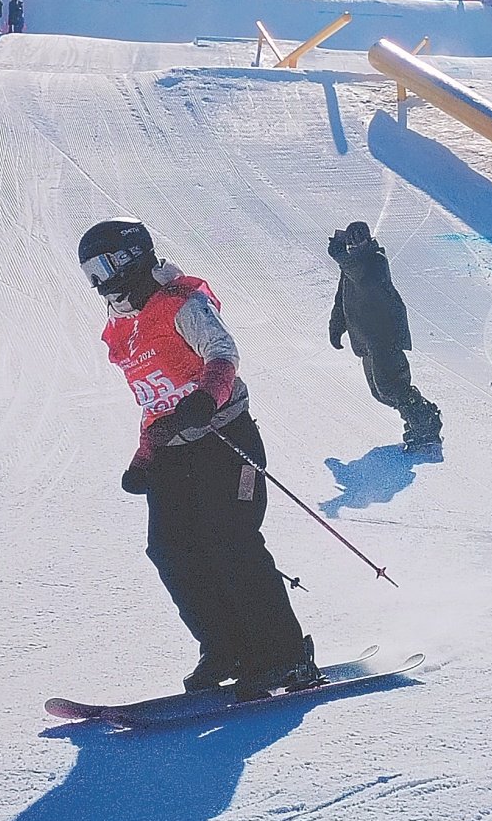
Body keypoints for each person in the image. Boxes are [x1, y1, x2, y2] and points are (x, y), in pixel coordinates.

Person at [78, 217, 319, 699]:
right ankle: (225, 649)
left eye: (105, 265)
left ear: (131, 257)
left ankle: (285, 656)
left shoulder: (182, 304)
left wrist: (206, 399)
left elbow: (223, 355)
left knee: (231, 541)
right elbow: (153, 399)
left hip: (224, 438)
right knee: (170, 549)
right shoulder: (122, 325)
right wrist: (146, 455)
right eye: (90, 272)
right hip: (172, 451)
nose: (101, 280)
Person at [328, 221, 442, 452]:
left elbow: (363, 278)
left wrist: (340, 255)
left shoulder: (376, 260)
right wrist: (336, 326)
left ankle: (426, 424)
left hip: (384, 336)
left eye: (360, 239)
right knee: (380, 393)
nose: (355, 244)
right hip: (366, 339)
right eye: (351, 240)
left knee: (392, 386)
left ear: (368, 239)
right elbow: (343, 297)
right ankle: (419, 418)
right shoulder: (350, 266)